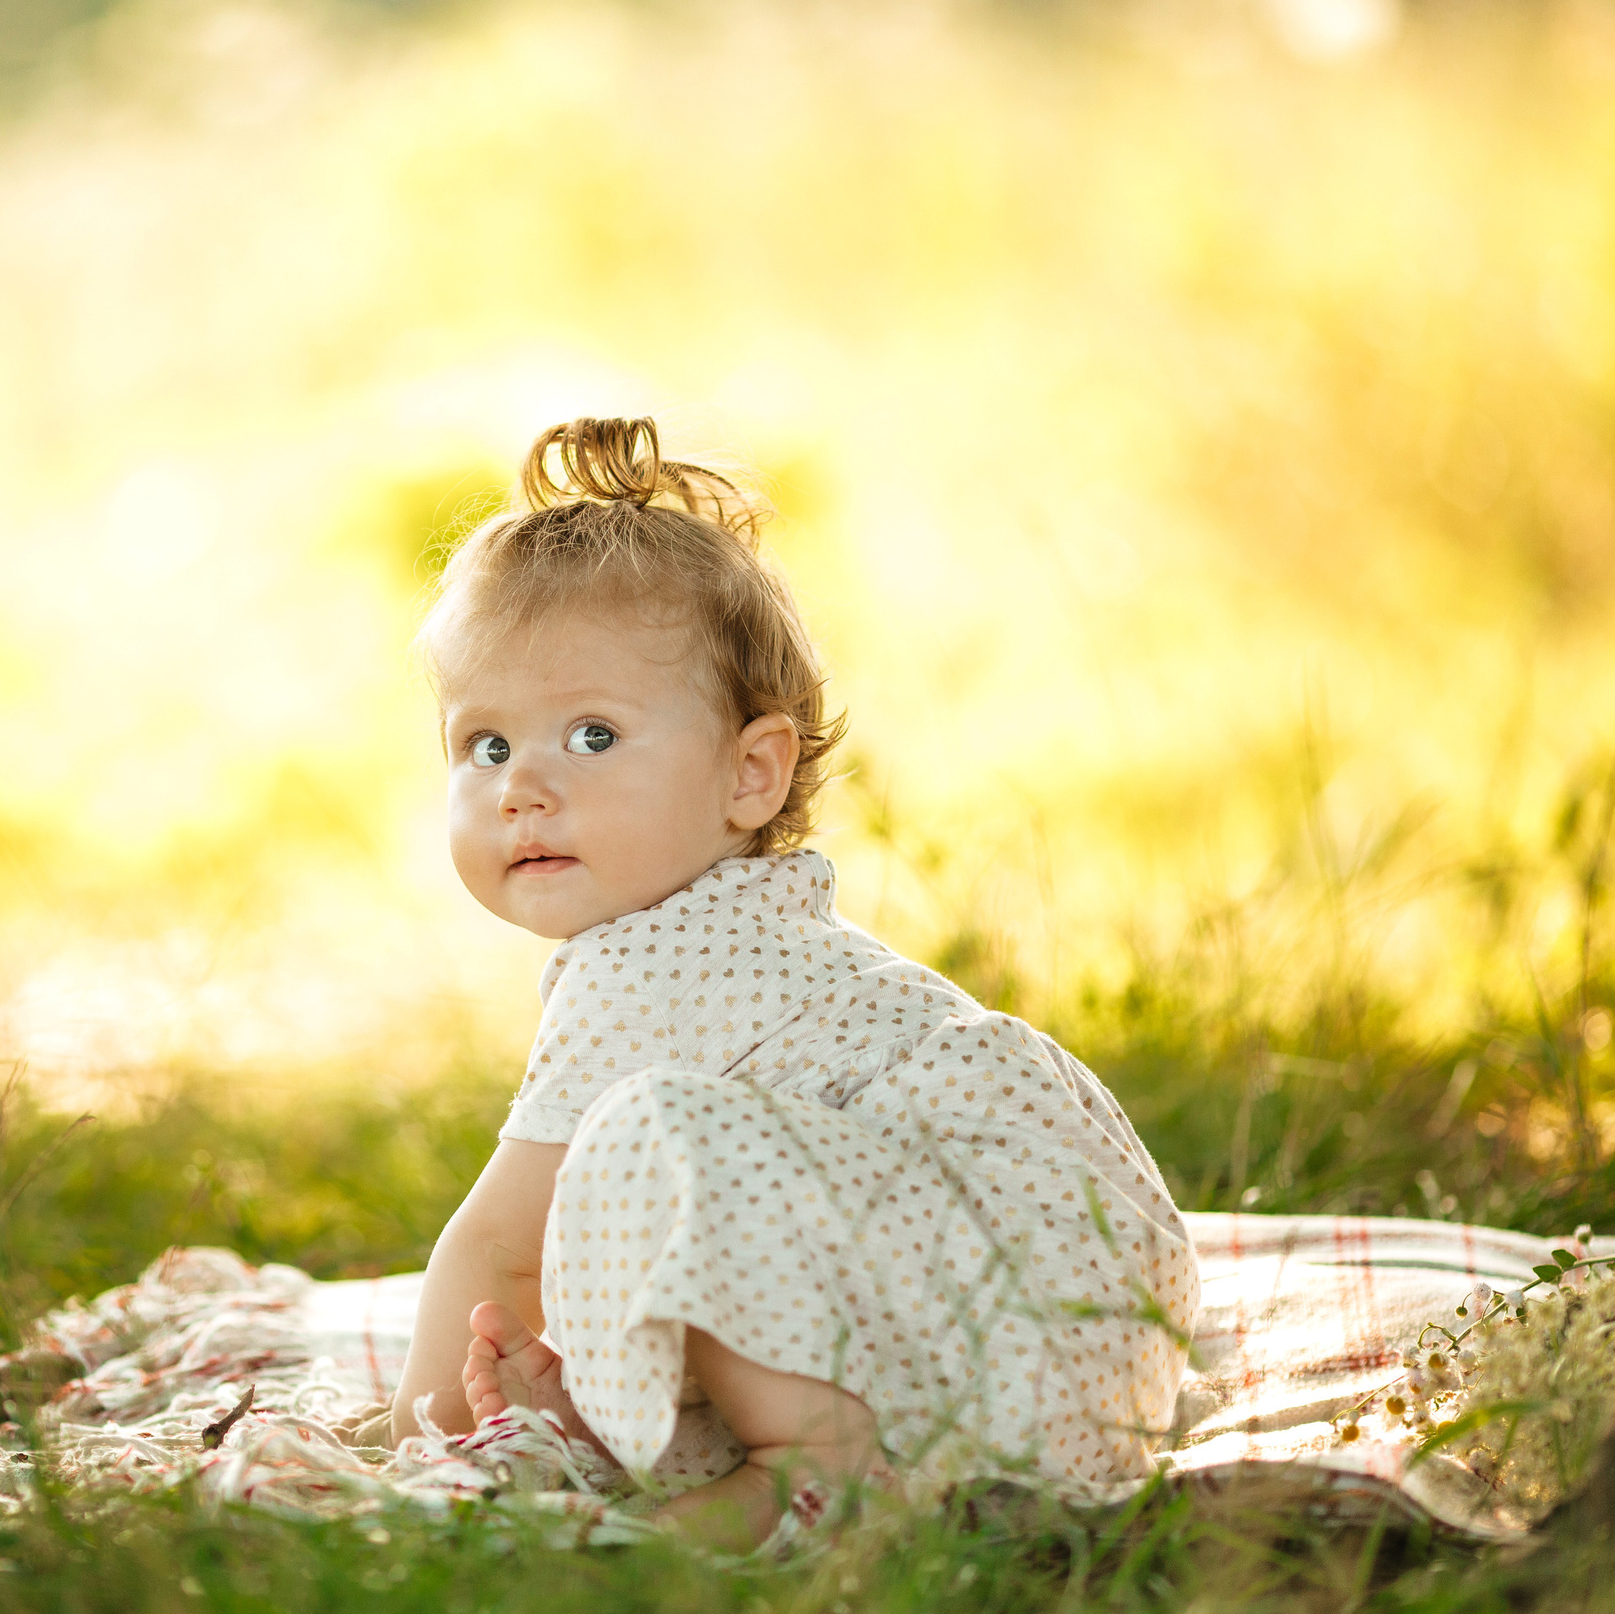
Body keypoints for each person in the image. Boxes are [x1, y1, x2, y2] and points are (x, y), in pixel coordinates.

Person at [388, 417, 1198, 1548]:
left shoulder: (650, 967)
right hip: (1061, 1345)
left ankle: (820, 1469)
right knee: (659, 1167)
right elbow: (755, 1245)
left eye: (590, 734)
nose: (522, 786)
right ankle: (744, 1437)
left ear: (749, 771)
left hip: (1016, 1310)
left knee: (649, 1135)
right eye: (484, 746)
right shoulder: (748, 934)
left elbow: (498, 1249)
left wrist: (411, 1453)